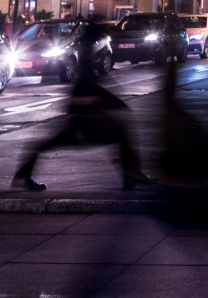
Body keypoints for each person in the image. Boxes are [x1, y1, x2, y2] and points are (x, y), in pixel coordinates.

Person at [12, 23, 153, 191]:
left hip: (80, 118)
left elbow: (90, 87)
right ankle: (130, 176)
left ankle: (24, 174)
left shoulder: (87, 55)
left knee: (49, 143)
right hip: (84, 121)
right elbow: (87, 90)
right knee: (119, 134)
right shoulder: (87, 57)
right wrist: (107, 101)